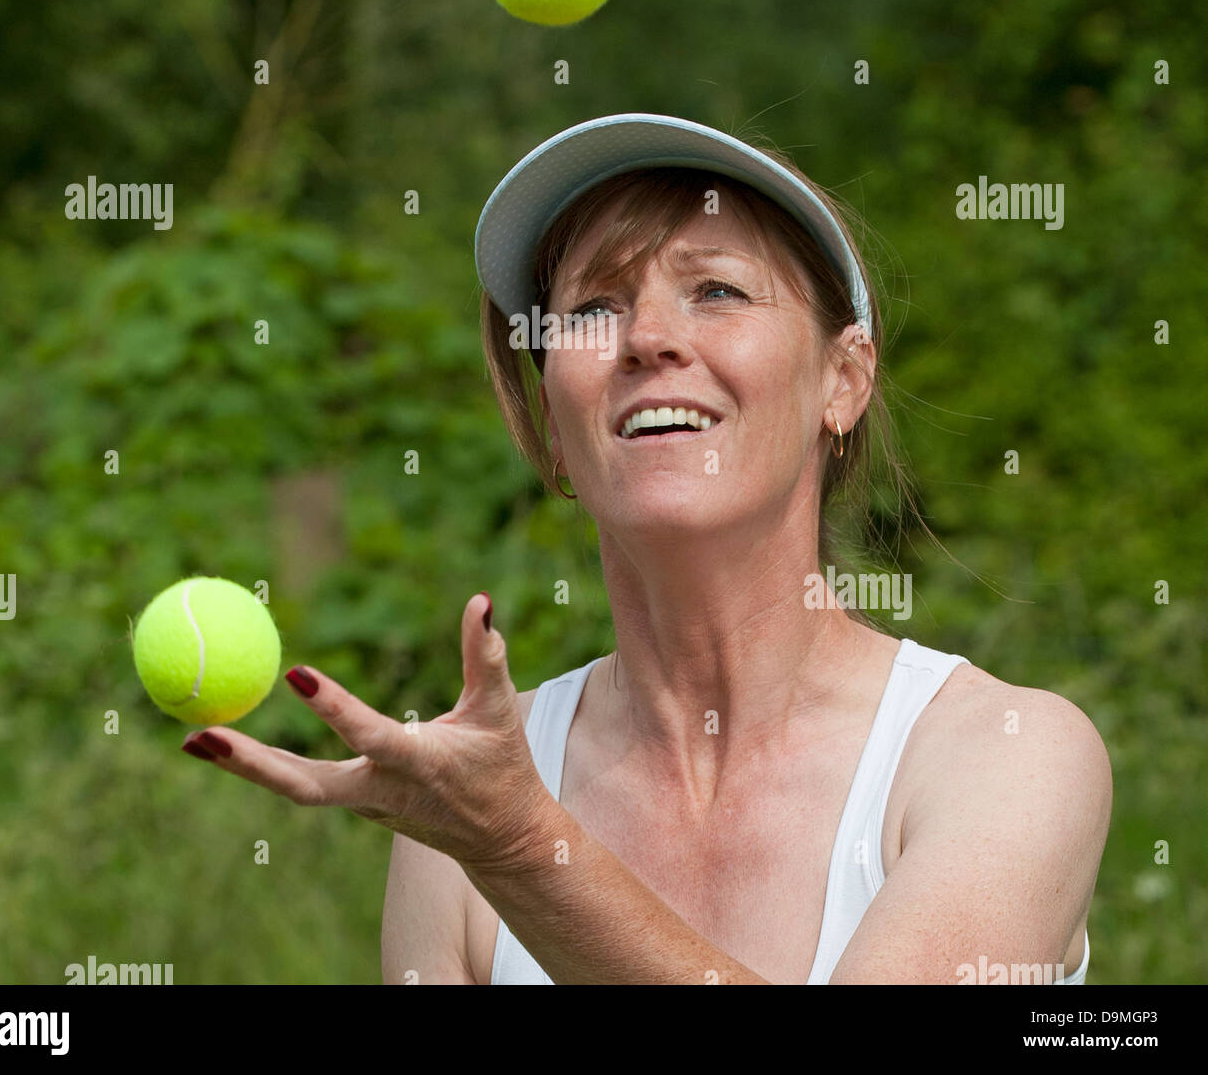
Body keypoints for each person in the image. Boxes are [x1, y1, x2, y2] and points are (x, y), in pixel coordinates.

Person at [180, 112, 1112, 986]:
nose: (648, 340)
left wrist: (521, 848)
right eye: (591, 309)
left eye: (716, 289)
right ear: (550, 419)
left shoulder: (1005, 755)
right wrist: (493, 832)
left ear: (844, 379)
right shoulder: (455, 820)